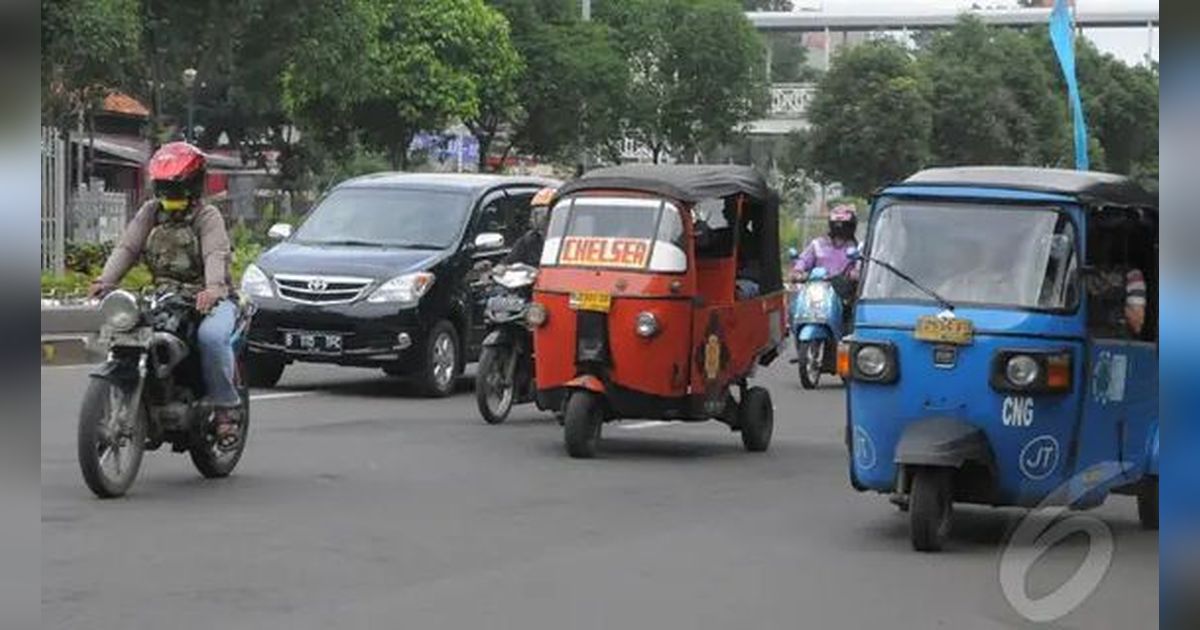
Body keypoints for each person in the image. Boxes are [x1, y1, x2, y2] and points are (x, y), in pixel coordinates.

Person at [88, 142, 242, 448]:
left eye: (177, 187)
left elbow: (215, 253)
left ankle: (226, 410)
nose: (170, 195)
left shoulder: (207, 216)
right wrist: (105, 280)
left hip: (210, 298)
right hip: (165, 296)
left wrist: (212, 289)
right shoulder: (150, 212)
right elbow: (128, 247)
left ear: (194, 184)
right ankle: (148, 397)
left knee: (211, 338)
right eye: (164, 187)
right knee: (126, 329)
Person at [792, 204, 860, 301]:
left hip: (844, 298)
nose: (840, 228)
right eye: (836, 224)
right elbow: (803, 260)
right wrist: (798, 271)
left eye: (844, 224)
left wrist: (855, 274)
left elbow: (861, 268)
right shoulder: (818, 244)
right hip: (817, 296)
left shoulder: (857, 248)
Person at [503, 186, 557, 266]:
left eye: (539, 213)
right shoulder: (528, 240)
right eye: (533, 212)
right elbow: (508, 262)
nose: (533, 217)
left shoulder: (566, 241)